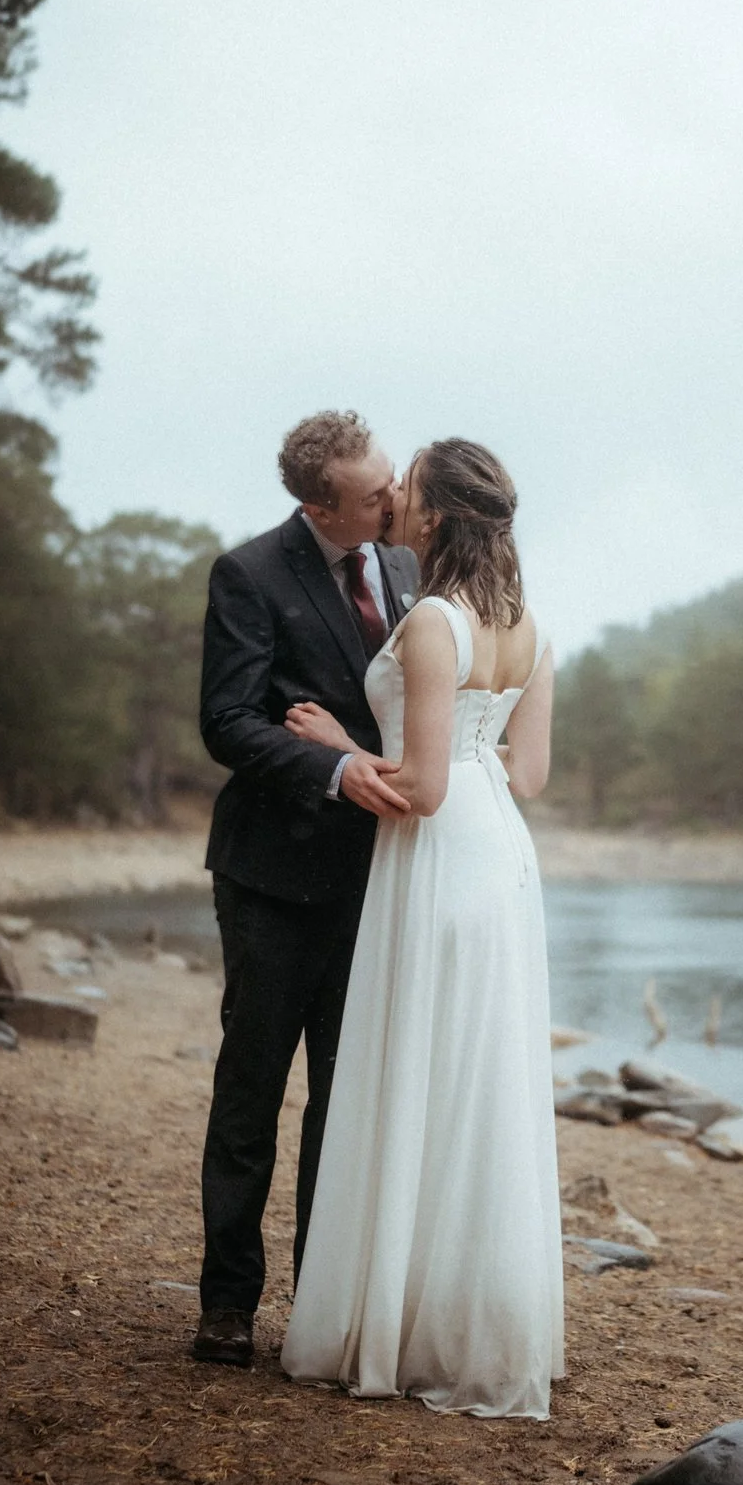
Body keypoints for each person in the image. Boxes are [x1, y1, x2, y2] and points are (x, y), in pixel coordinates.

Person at [277, 437, 564, 1418]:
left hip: (440, 861)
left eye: (407, 487)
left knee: (425, 1073)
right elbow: (525, 776)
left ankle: (413, 1325)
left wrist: (339, 745)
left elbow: (420, 789)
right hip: (504, 859)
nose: (391, 496)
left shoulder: (437, 622)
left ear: (435, 515)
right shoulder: (528, 626)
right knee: (477, 1084)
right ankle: (470, 1314)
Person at [190, 410, 419, 1368]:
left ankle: (321, 1308)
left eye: (392, 480)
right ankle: (228, 1305)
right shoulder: (248, 574)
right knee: (253, 1089)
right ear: (318, 504)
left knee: (346, 1099)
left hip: (384, 881)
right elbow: (228, 722)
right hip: (273, 877)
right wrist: (333, 771)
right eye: (374, 495)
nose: (396, 500)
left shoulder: (407, 569)